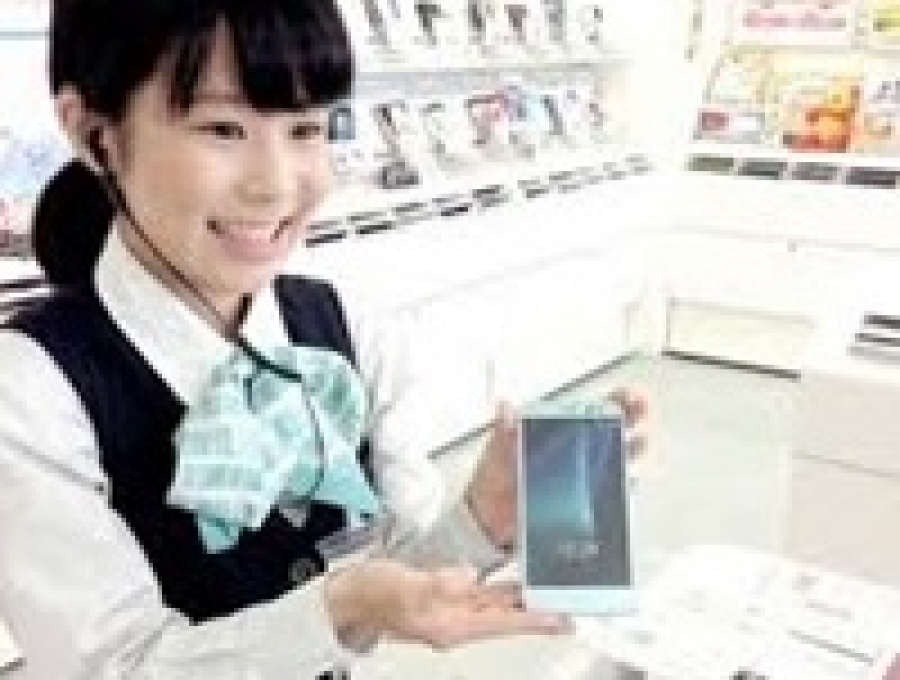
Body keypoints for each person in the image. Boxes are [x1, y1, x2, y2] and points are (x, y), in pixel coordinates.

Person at [0, 1, 648, 678]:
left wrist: (484, 518)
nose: (276, 184)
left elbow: (395, 579)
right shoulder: (32, 391)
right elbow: (117, 666)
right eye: (222, 129)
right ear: (95, 135)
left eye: (307, 128)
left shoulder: (347, 329)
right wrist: (338, 609)